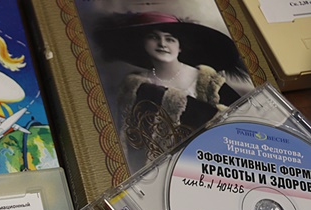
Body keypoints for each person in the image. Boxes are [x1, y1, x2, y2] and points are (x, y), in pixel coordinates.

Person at [95, 11, 251, 171]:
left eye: (170, 39)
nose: (162, 44)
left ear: (180, 46)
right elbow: (129, 137)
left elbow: (239, 122)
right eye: (153, 37)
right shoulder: (134, 87)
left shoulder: (207, 80)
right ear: (142, 42)